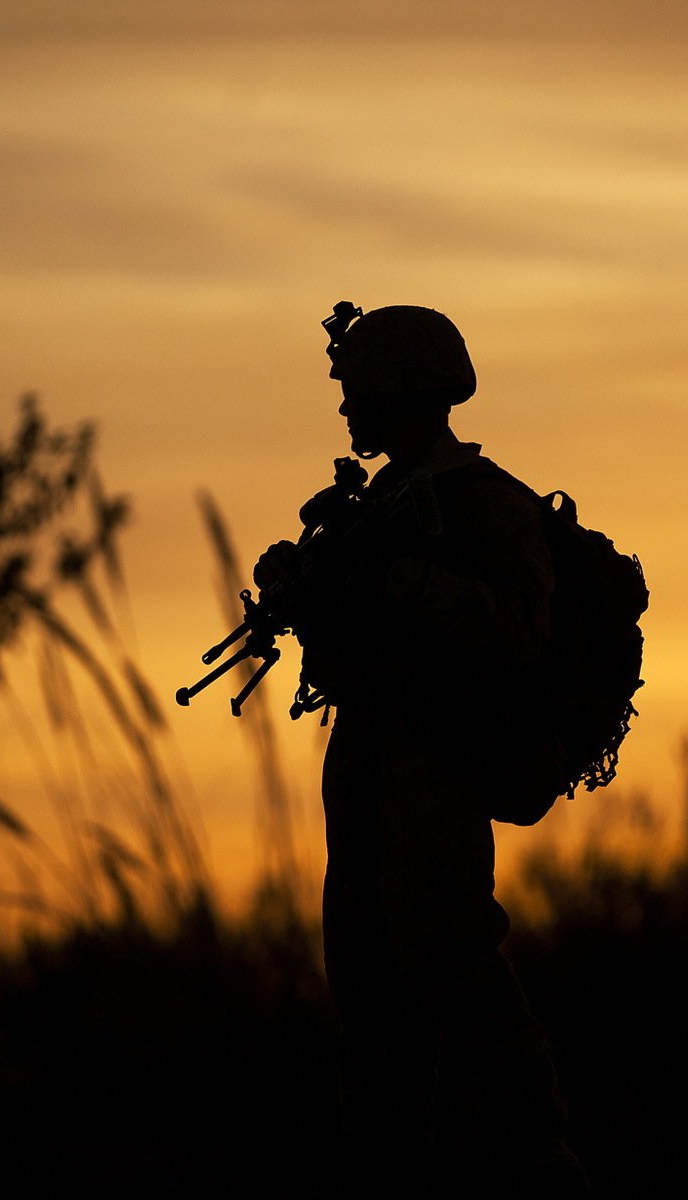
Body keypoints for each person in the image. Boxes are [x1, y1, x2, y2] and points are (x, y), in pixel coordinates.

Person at [255, 304, 586, 1192]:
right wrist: (305, 591)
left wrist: (398, 579)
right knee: (362, 973)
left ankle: (536, 1151)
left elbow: (518, 628)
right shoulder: (377, 508)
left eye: (356, 388)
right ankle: (388, 1170)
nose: (347, 409)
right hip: (364, 754)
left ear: (400, 387)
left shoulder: (487, 504)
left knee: (448, 956)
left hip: (435, 761)